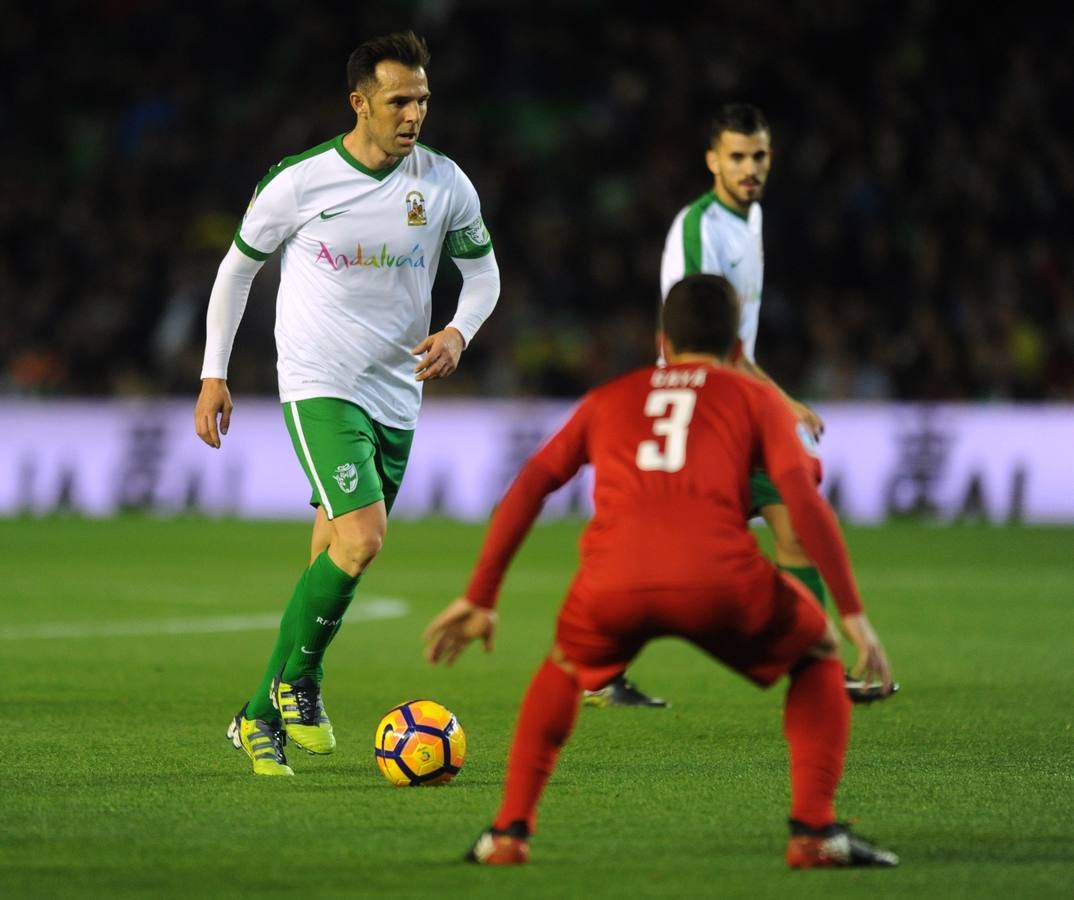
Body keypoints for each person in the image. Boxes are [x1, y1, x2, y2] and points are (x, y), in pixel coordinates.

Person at [423, 274, 898, 868]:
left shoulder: (609, 398)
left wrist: (481, 595)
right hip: (720, 580)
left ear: (662, 342)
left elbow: (531, 487)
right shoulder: (754, 399)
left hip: (613, 582)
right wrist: (853, 614)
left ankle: (508, 835)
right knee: (818, 653)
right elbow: (803, 500)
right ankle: (814, 833)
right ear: (734, 352)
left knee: (564, 668)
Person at [194, 30, 499, 776]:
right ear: (359, 102)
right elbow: (237, 272)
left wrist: (460, 329)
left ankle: (285, 697)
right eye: (399, 100)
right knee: (364, 538)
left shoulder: (446, 183)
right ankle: (274, 699)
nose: (414, 114)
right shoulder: (300, 182)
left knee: (337, 550)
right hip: (319, 383)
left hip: (397, 394)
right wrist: (213, 373)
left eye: (422, 99)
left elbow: (484, 274)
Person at [596, 102, 892, 707]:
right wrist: (775, 403)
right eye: (737, 156)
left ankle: (816, 668)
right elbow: (697, 347)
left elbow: (731, 344)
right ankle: (601, 666)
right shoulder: (700, 229)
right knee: (687, 552)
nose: (749, 167)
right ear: (713, 160)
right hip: (700, 409)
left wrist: (781, 399)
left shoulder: (749, 219)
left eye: (758, 155)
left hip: (733, 400)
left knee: (781, 533)